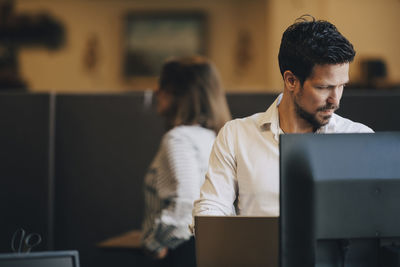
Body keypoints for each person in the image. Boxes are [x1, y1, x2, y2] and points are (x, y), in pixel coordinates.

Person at [193, 15, 374, 218]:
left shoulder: (360, 138)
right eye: (324, 87)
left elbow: (375, 217)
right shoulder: (236, 135)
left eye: (342, 86)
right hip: (256, 249)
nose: (335, 100)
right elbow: (211, 208)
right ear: (291, 80)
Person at [141, 56, 231, 266]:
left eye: (162, 84)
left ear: (177, 93)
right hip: (213, 249)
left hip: (183, 253)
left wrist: (154, 243)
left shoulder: (179, 138)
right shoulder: (216, 137)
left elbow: (187, 203)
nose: (156, 91)